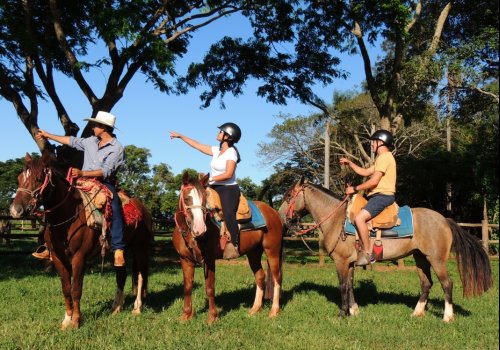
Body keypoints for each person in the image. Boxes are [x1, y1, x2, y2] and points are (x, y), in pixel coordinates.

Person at [34, 111, 126, 267]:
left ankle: (118, 248)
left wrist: (83, 172)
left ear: (104, 128)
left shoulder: (117, 148)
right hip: (81, 181)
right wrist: (48, 135)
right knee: (58, 201)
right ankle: (49, 245)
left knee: (114, 205)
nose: (93, 128)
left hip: (103, 182)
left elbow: (105, 171)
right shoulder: (90, 141)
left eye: (96, 125)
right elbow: (71, 140)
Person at [170, 123, 242, 259]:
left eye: (221, 132)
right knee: (198, 206)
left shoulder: (231, 153)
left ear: (227, 136)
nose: (219, 133)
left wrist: (210, 179)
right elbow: (197, 145)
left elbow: (228, 174)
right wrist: (181, 136)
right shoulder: (216, 151)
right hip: (213, 186)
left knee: (227, 212)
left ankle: (233, 244)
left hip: (228, 188)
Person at [340, 129, 396, 266]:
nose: (371, 145)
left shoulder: (385, 158)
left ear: (380, 142)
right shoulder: (382, 159)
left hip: (382, 196)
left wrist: (354, 189)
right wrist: (350, 163)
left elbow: (374, 181)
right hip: (378, 196)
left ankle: (368, 253)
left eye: (373, 142)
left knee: (359, 218)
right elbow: (364, 172)